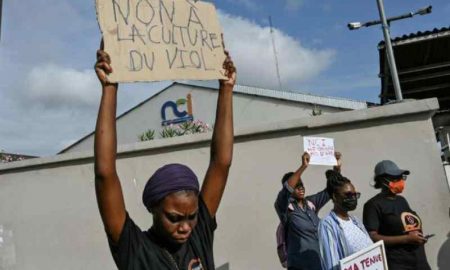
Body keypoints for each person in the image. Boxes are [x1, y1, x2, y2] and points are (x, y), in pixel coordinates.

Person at [93, 41, 236, 270]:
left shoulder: (199, 234)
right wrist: (110, 87)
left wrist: (226, 88)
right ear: (153, 209)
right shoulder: (134, 247)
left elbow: (222, 163)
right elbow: (105, 174)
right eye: (174, 218)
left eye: (192, 216)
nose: (186, 227)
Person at [275, 152, 342, 270]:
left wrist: (336, 169)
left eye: (302, 184)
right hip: (299, 266)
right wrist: (303, 166)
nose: (301, 187)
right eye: (297, 185)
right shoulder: (286, 209)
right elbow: (285, 191)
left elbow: (328, 192)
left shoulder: (310, 204)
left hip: (319, 264)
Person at [363, 160, 431, 270]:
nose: (400, 181)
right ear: (382, 180)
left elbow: (408, 224)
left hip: (419, 261)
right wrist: (407, 239)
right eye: (395, 178)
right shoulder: (373, 205)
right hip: (398, 263)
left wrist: (419, 236)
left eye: (400, 177)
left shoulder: (402, 200)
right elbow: (372, 237)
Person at [318, 170, 372, 270]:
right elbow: (331, 265)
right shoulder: (327, 224)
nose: (353, 198)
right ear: (335, 196)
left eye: (355, 195)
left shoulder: (356, 222)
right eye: (348, 195)